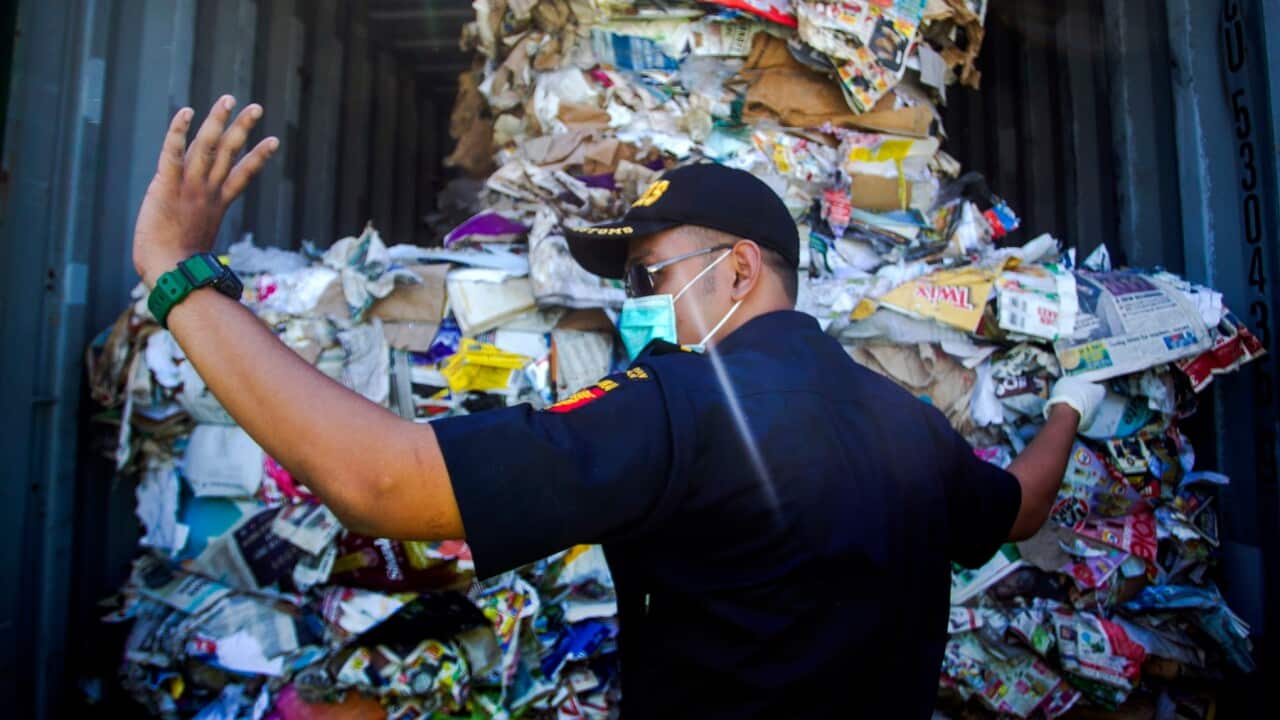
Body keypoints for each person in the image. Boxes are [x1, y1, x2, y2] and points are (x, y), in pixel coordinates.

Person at [132, 98, 1106, 718]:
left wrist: (180, 280)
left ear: (737, 270)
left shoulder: (676, 408)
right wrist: (1065, 406)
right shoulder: (910, 426)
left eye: (647, 273)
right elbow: (1017, 505)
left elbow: (379, 483)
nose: (634, 300)